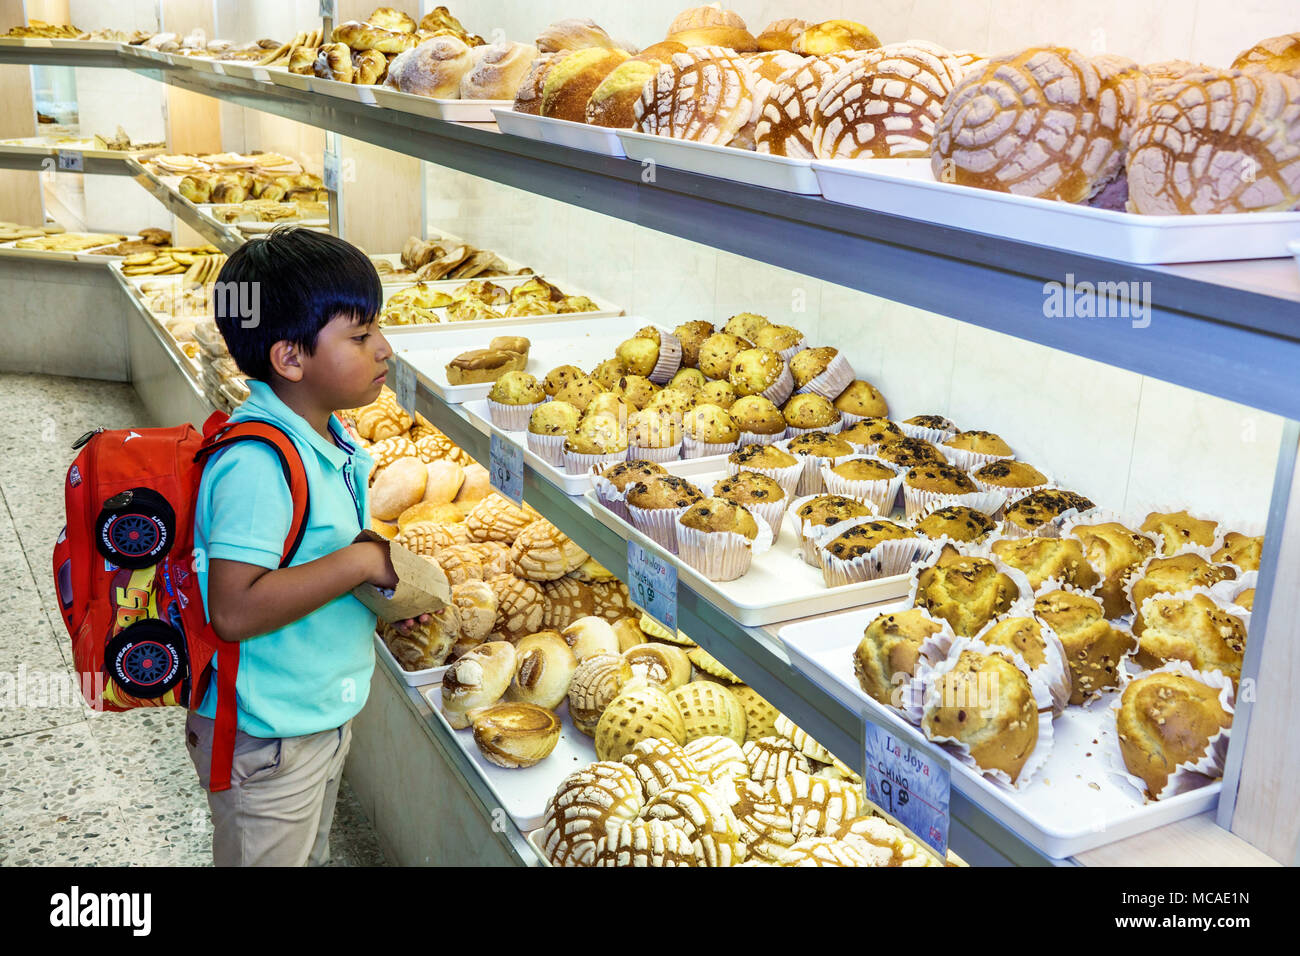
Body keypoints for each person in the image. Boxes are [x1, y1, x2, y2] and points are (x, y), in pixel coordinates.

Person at [185, 226, 416, 866]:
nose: (385, 350)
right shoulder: (258, 463)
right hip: (266, 735)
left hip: (310, 717)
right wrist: (361, 561)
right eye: (362, 335)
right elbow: (233, 609)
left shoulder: (325, 435)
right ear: (290, 359)